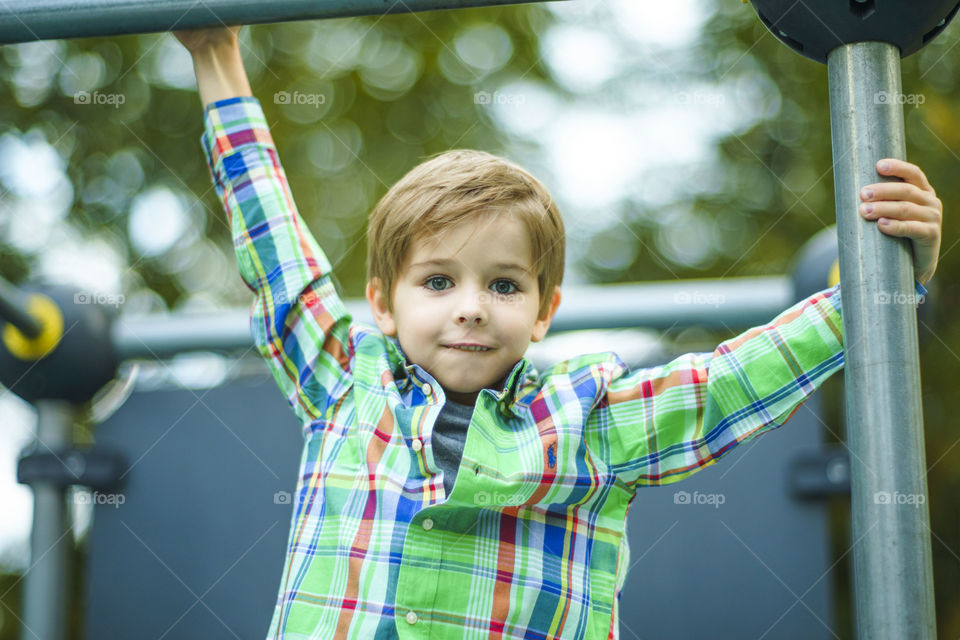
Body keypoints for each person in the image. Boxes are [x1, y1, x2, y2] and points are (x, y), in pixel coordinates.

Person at [174, 24, 942, 640]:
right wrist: (217, 54)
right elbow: (273, 244)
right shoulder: (344, 378)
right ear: (382, 302)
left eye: (503, 285)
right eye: (438, 281)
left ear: (545, 311)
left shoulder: (587, 418)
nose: (471, 306)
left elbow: (727, 385)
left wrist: (886, 281)